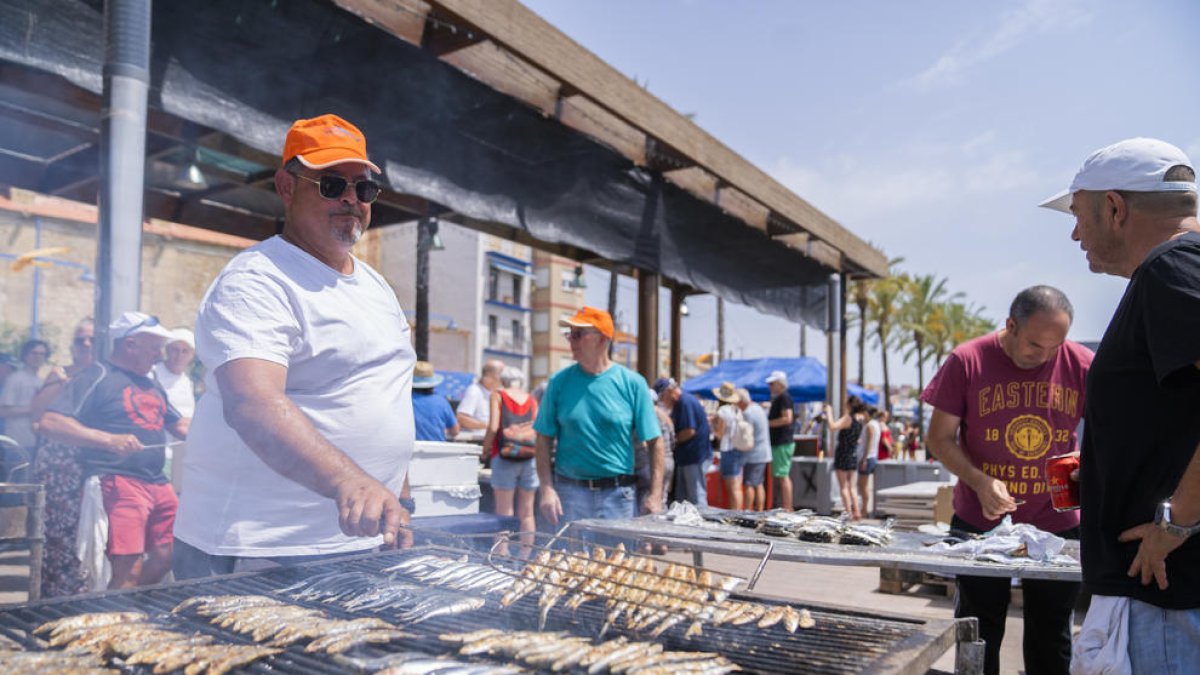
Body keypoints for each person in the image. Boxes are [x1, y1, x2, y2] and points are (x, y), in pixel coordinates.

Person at [172, 113, 417, 579]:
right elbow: (253, 402)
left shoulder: (376, 287)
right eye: (331, 184)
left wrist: (399, 500)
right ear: (287, 187)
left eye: (363, 189)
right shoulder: (256, 279)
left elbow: (385, 393)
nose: (350, 198)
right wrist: (350, 481)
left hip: (354, 545)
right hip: (258, 551)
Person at [1040, 137, 1200, 672]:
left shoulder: (1172, 270)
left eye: (1080, 214)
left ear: (1115, 207)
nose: (1075, 232)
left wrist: (1178, 521)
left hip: (1165, 597)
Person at [921, 285, 1091, 675]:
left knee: (1052, 635)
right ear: (1011, 325)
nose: (1046, 356)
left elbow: (1111, 431)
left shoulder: (1082, 363)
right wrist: (979, 481)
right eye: (1035, 345)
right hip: (980, 523)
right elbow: (939, 437)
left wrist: (1089, 465)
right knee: (978, 634)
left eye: (1056, 346)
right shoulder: (967, 360)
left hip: (1057, 523)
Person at [38, 312, 187, 589]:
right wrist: (108, 440)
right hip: (118, 481)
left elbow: (179, 424)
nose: (159, 355)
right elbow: (50, 422)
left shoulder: (151, 382)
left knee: (169, 555)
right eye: (154, 347)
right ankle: (118, 618)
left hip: (158, 481)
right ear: (130, 344)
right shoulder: (98, 374)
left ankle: (126, 607)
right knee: (128, 567)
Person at [533, 307, 664, 526]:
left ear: (603, 338)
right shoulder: (558, 382)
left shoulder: (633, 383)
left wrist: (655, 495)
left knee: (618, 560)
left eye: (578, 334)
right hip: (569, 495)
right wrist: (547, 489)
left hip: (618, 495)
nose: (571, 341)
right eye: (569, 335)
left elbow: (655, 442)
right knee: (570, 560)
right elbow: (543, 438)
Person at [481, 366, 538, 556]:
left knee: (504, 510)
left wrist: (485, 449)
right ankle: (525, 557)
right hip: (529, 457)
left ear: (502, 380)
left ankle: (501, 554)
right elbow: (537, 427)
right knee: (527, 512)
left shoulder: (498, 395)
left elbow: (493, 426)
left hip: (504, 456)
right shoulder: (531, 399)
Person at [654, 377, 711, 507]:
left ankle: (701, 526)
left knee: (696, 498)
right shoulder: (681, 403)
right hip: (687, 457)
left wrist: (671, 442)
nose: (662, 401)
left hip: (694, 457)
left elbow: (689, 431)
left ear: (668, 391)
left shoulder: (685, 402)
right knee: (684, 499)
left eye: (662, 396)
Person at [152, 328, 195, 489]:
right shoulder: (154, 374)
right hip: (159, 448)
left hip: (182, 450)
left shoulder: (187, 382)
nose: (179, 355)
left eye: (185, 351)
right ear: (167, 350)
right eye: (175, 350)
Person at [0, 339, 50, 450]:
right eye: (34, 353)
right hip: (16, 443)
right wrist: (33, 409)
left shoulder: (42, 381)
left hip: (36, 441)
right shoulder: (15, 379)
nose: (38, 357)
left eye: (42, 354)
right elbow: (2, 411)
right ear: (25, 356)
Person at [825, 396, 867, 521]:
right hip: (853, 454)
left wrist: (829, 412)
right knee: (852, 487)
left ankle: (848, 512)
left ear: (848, 405)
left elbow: (832, 426)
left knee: (843, 486)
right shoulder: (860, 419)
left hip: (843, 453)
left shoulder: (848, 418)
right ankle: (857, 512)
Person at [636, 388, 675, 516]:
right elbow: (673, 438)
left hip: (655, 461)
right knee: (661, 498)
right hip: (668, 458)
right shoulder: (664, 414)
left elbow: (650, 442)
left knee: (649, 500)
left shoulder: (649, 414)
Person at [711, 381, 745, 510]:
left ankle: (735, 514)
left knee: (732, 487)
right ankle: (737, 512)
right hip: (737, 448)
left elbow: (719, 434)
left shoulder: (723, 411)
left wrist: (713, 426)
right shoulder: (736, 410)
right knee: (737, 486)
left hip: (727, 449)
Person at [737, 388, 772, 512]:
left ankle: (748, 511)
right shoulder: (758, 408)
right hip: (763, 452)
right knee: (758, 484)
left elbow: (745, 436)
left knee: (749, 485)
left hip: (754, 454)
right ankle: (760, 511)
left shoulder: (748, 413)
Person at [766, 371, 795, 511]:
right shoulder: (780, 398)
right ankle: (786, 506)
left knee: (783, 476)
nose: (769, 386)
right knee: (781, 476)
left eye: (772, 383)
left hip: (782, 442)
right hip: (780, 442)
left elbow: (787, 418)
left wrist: (768, 423)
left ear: (779, 383)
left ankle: (788, 508)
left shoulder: (784, 397)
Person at [411, 361, 458, 442]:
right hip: (437, 451)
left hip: (412, 451)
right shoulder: (442, 402)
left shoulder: (406, 401)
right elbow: (455, 431)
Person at [457, 359, 504, 433]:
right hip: (477, 440)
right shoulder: (474, 391)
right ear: (492, 376)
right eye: (502, 375)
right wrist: (489, 426)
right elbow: (461, 418)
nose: (503, 379)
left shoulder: (496, 392)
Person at [857, 406, 882, 518]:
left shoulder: (870, 426)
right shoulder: (875, 424)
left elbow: (869, 444)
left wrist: (864, 459)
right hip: (871, 456)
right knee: (863, 485)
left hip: (867, 457)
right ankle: (864, 508)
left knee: (863, 486)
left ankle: (864, 510)